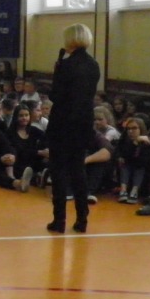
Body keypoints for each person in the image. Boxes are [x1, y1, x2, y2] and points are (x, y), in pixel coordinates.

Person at [45, 23, 101, 234]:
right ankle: (82, 220)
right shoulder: (94, 65)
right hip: (83, 123)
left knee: (58, 171)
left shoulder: (66, 65)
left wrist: (57, 71)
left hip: (62, 123)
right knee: (78, 172)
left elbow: (55, 95)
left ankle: (59, 220)